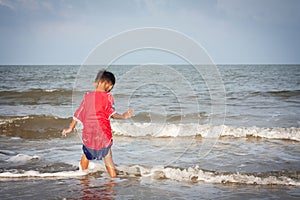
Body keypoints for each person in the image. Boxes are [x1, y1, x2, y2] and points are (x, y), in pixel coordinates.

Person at [62, 70, 133, 178]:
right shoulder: (108, 97)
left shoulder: (87, 96)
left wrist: (70, 128)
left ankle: (82, 177)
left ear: (97, 82)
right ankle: (113, 180)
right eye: (111, 87)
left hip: (88, 132)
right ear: (109, 84)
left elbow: (78, 113)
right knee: (108, 156)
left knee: (86, 154)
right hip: (103, 132)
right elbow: (112, 113)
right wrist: (124, 116)